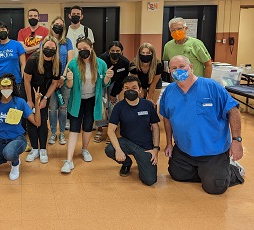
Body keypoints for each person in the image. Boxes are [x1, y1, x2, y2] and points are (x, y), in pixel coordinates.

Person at [160, 55, 245, 194]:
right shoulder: (169, 91)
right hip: (185, 150)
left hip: (213, 151)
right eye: (174, 68)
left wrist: (237, 141)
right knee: (177, 175)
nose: (178, 70)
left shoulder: (211, 87)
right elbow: (167, 118)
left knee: (215, 188)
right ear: (170, 71)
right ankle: (207, 172)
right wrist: (169, 143)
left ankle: (232, 169)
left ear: (191, 67)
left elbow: (233, 111)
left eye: (182, 67)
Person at [61, 37, 113, 173]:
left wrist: (107, 76)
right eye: (80, 49)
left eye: (85, 48)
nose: (83, 51)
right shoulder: (73, 64)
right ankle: (69, 160)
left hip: (92, 100)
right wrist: (70, 80)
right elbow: (69, 85)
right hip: (77, 101)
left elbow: (104, 84)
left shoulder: (101, 64)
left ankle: (84, 149)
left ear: (91, 47)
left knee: (88, 126)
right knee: (74, 128)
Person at [105, 76, 160, 186]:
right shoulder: (119, 107)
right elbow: (111, 130)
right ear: (123, 90)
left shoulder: (148, 105)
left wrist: (155, 149)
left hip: (145, 147)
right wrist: (118, 150)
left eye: (134, 88)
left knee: (149, 180)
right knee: (110, 149)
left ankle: (141, 162)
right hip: (127, 143)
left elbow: (155, 127)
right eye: (126, 88)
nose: (130, 90)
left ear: (140, 90)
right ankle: (126, 162)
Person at [23, 36, 61, 163]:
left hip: (45, 93)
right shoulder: (33, 60)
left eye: (52, 48)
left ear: (56, 49)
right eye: (47, 47)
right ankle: (34, 149)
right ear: (42, 47)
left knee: (43, 121)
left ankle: (43, 149)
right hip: (30, 92)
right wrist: (29, 100)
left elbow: (54, 84)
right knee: (32, 120)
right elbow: (27, 81)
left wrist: (45, 98)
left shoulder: (57, 63)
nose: (49, 50)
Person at [95, 41, 131, 143]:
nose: (115, 53)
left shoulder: (125, 63)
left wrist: (113, 94)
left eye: (118, 51)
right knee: (100, 104)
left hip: (115, 83)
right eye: (113, 51)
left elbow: (122, 80)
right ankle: (100, 129)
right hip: (101, 81)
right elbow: (98, 76)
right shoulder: (101, 59)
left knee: (112, 105)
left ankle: (111, 131)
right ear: (108, 52)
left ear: (122, 52)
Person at [47, 16, 74, 146]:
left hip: (64, 80)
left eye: (61, 24)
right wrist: (54, 79)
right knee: (52, 108)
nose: (58, 26)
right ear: (51, 25)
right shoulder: (46, 41)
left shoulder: (67, 42)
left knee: (63, 107)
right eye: (56, 23)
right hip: (51, 81)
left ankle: (62, 133)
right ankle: (53, 133)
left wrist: (62, 77)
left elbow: (70, 60)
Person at [0, 21, 26, 97]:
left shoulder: (17, 45)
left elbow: (23, 64)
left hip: (16, 82)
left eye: (3, 29)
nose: (1, 31)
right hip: (0, 83)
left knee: (16, 106)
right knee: (1, 106)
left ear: (7, 31)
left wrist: (24, 80)